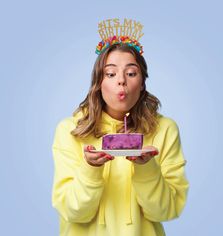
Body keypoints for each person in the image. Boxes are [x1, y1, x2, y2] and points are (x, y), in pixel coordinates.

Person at [52, 18, 189, 236]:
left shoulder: (165, 130)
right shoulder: (70, 130)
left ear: (142, 82)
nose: (121, 81)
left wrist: (147, 168)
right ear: (99, 82)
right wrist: (90, 170)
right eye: (111, 73)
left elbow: (167, 211)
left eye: (131, 73)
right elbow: (74, 212)